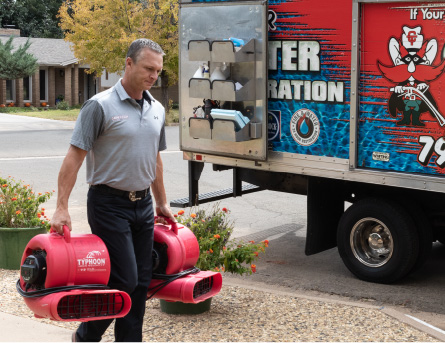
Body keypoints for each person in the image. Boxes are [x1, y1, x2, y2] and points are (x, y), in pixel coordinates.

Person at [51, 38, 175, 342]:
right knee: (125, 278)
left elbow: (154, 158)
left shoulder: (157, 109)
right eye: (148, 68)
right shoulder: (99, 106)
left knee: (141, 282)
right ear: (129, 63)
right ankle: (86, 335)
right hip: (108, 203)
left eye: (157, 71)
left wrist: (161, 202)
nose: (153, 76)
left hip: (143, 205)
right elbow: (74, 156)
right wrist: (62, 206)